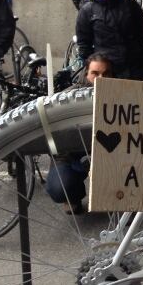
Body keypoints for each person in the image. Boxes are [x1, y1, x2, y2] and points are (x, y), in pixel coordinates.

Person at [45, 52, 113, 214]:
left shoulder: (118, 94)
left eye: (105, 74)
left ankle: (123, 203)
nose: (100, 79)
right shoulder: (66, 98)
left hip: (108, 155)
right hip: (71, 156)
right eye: (95, 74)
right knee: (59, 188)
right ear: (86, 74)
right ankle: (73, 195)